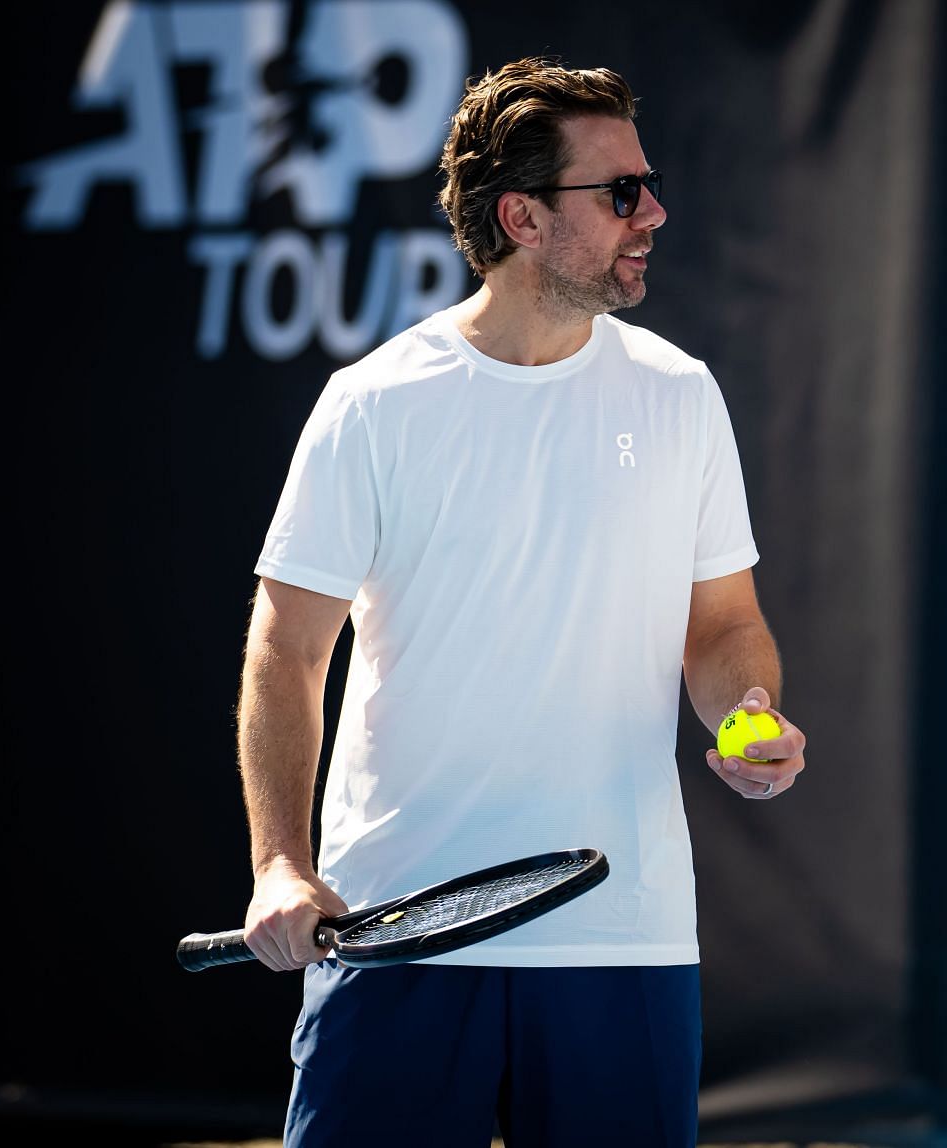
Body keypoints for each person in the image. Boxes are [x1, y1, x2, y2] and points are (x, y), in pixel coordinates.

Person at [234, 57, 806, 1147]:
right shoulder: (373, 404)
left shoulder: (679, 394)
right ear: (523, 217)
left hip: (623, 938)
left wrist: (749, 710)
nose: (656, 212)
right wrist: (279, 864)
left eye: (647, 184)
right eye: (621, 192)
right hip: (398, 929)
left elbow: (725, 626)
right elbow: (287, 649)